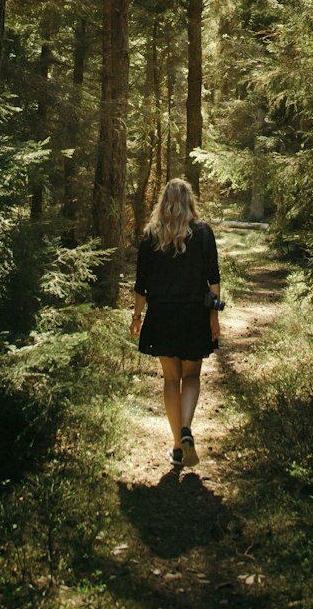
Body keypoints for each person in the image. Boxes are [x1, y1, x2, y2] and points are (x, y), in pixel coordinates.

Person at [129, 178, 221, 468]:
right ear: (189, 201)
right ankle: (186, 430)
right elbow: (214, 280)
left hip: (162, 315)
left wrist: (136, 317)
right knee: (191, 376)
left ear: (163, 202)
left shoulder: (150, 236)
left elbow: (141, 285)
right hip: (194, 314)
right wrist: (214, 317)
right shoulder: (204, 233)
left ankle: (176, 446)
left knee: (171, 379)